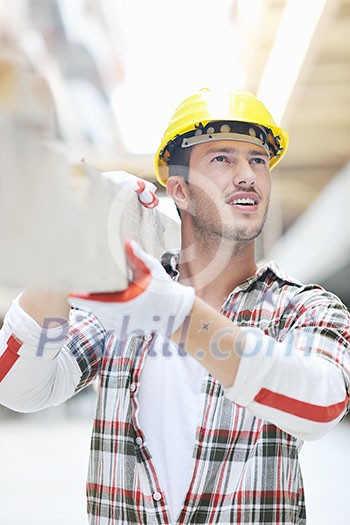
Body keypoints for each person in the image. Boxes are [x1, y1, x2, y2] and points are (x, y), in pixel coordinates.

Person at [0, 87, 349, 525]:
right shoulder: (123, 313)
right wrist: (70, 247)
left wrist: (173, 314)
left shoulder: (304, 309)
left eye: (257, 159)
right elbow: (18, 385)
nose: (248, 175)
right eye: (222, 158)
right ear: (180, 191)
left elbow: (321, 406)